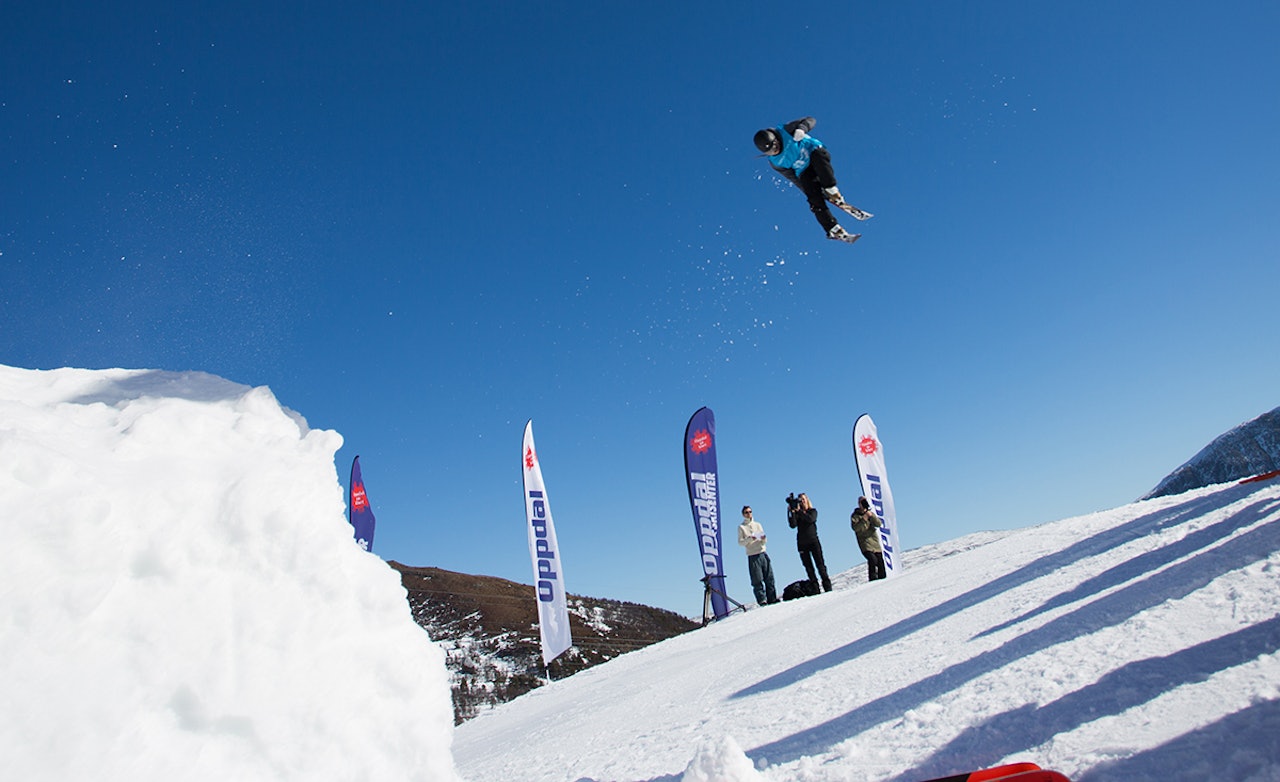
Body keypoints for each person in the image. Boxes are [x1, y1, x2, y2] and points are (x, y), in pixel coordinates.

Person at [753, 116, 872, 243]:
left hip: (814, 153)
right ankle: (832, 229)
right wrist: (810, 191)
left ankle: (830, 189)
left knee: (819, 159)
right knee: (814, 199)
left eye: (775, 146)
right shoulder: (776, 163)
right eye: (771, 151)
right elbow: (793, 178)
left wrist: (802, 128)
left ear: (776, 139)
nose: (775, 151)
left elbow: (811, 119)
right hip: (804, 171)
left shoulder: (786, 131)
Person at [787, 492, 832, 592]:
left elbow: (810, 519)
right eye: (800, 500)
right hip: (802, 543)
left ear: (807, 500)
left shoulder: (812, 511)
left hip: (813, 541)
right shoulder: (798, 513)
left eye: (803, 499)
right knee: (809, 568)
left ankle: (827, 587)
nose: (802, 501)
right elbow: (793, 525)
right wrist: (791, 512)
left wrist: (799, 512)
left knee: (820, 565)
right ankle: (815, 589)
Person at [737, 506, 778, 606]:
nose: (749, 514)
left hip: (762, 552)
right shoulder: (741, 527)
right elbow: (740, 542)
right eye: (746, 512)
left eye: (750, 512)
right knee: (757, 580)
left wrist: (763, 538)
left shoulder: (757, 524)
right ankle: (762, 600)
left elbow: (764, 539)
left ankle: (772, 598)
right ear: (743, 514)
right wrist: (751, 538)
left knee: (769, 577)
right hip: (753, 555)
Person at [850, 496, 886, 581]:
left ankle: (883, 580)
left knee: (880, 562)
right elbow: (856, 528)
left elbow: (878, 524)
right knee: (872, 560)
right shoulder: (855, 516)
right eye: (862, 502)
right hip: (864, 542)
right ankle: (873, 579)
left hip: (874, 542)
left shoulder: (870, 513)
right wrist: (864, 518)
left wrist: (871, 516)